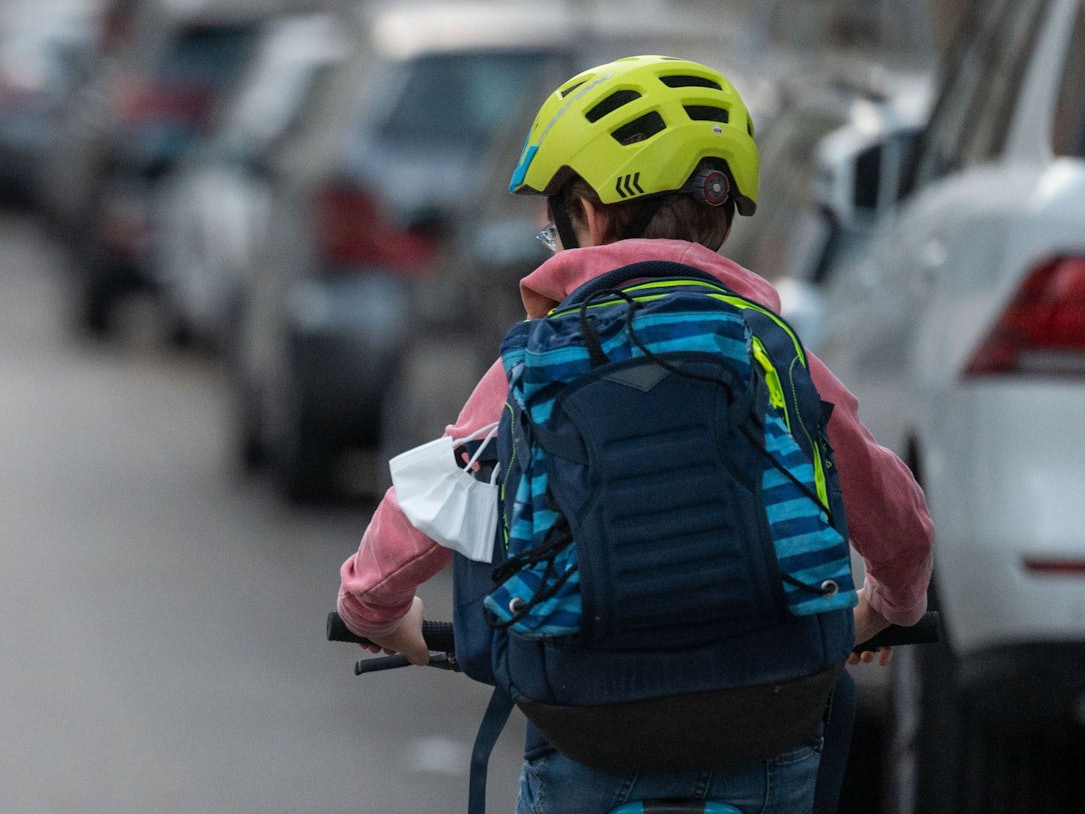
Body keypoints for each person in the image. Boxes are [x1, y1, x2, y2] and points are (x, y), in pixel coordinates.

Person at [337, 55, 933, 813]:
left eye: (552, 220)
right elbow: (897, 519)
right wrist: (886, 605)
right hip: (769, 718)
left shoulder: (545, 356)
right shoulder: (767, 349)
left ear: (583, 212)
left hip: (590, 733)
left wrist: (377, 615)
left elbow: (422, 509)